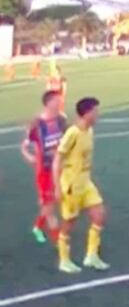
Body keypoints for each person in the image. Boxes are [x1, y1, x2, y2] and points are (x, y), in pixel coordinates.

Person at [53, 97, 110, 274]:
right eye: (96, 111)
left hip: (86, 182)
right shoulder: (73, 133)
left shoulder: (90, 130)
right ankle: (64, 259)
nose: (98, 114)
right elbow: (57, 159)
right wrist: (57, 187)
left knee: (99, 215)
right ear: (87, 113)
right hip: (72, 184)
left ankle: (91, 256)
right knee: (69, 223)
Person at [20, 90, 67, 244]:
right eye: (57, 101)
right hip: (44, 171)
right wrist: (30, 157)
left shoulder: (62, 120)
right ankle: (59, 244)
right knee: (49, 205)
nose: (60, 103)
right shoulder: (36, 124)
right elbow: (24, 146)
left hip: (61, 168)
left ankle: (38, 226)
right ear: (48, 103)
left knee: (56, 203)